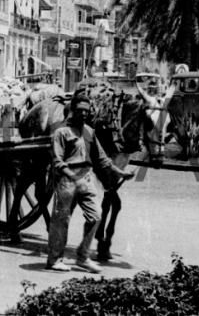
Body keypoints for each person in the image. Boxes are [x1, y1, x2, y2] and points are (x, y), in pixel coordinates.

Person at [46, 91, 133, 273]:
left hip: (86, 178)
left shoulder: (89, 132)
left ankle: (83, 256)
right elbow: (57, 162)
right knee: (61, 219)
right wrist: (72, 176)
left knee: (96, 217)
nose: (84, 114)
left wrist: (121, 173)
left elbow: (102, 160)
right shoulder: (61, 133)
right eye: (80, 110)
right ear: (72, 111)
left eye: (87, 111)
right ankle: (55, 259)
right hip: (67, 180)